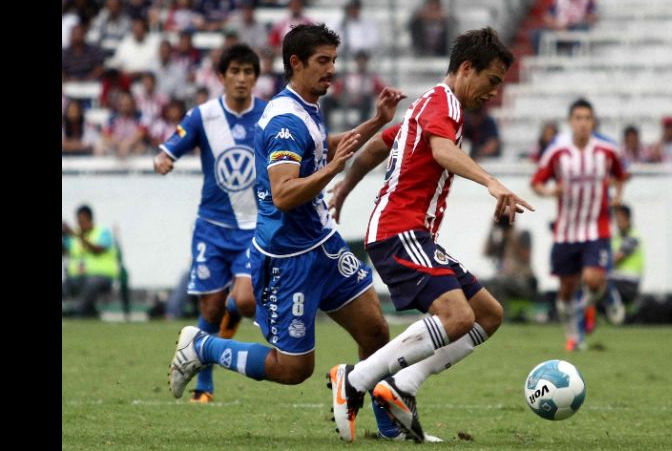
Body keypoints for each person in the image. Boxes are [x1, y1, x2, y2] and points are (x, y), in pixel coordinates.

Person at [167, 24, 413, 441]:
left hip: (323, 244)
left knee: (375, 330)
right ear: (295, 63)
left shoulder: (305, 108)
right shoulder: (284, 120)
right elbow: (283, 194)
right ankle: (203, 347)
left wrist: (376, 122)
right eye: (322, 61)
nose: (331, 69)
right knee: (294, 369)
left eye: (334, 60)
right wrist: (334, 172)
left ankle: (387, 424)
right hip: (288, 258)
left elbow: (322, 145)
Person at [324, 27, 533, 442]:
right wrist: (491, 182)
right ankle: (355, 379)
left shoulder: (428, 106)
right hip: (398, 230)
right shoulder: (443, 105)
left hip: (412, 233)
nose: (493, 92)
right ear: (467, 68)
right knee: (457, 317)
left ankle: (402, 385)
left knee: (488, 314)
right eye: (492, 81)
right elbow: (441, 152)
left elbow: (379, 146)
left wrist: (345, 188)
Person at [154, 44, 268, 403]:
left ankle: (234, 310)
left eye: (248, 72)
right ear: (221, 76)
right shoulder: (202, 115)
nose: (241, 79)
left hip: (253, 228)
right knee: (209, 309)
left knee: (246, 301)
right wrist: (163, 159)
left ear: (255, 78)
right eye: (234, 71)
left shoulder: (267, 115)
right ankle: (204, 384)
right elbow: (171, 146)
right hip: (211, 227)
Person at [530, 98, 629, 351]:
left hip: (597, 229)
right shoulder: (558, 150)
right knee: (565, 292)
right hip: (566, 232)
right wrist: (551, 192)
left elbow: (621, 174)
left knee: (592, 279)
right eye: (578, 118)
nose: (583, 123)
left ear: (593, 121)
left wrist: (618, 194)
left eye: (587, 118)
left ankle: (606, 291)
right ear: (570, 121)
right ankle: (574, 335)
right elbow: (537, 182)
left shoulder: (607, 149)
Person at [62, 205, 120, 318]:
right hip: (78, 278)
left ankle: (77, 312)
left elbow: (98, 250)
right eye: (78, 221)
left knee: (91, 283)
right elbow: (65, 252)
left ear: (90, 219)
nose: (79, 224)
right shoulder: (74, 236)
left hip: (102, 277)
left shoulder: (103, 233)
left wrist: (78, 236)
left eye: (82, 221)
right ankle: (83, 311)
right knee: (65, 286)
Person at [603, 204, 644, 325]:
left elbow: (615, 258)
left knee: (597, 284)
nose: (618, 222)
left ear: (628, 219)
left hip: (629, 282)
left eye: (620, 219)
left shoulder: (633, 236)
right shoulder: (616, 237)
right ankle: (618, 313)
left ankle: (618, 308)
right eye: (617, 219)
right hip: (616, 278)